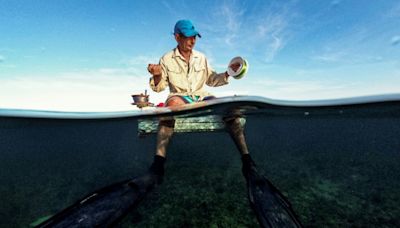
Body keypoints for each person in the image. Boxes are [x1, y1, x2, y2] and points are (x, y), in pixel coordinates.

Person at [146, 19, 254, 183]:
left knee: (229, 109)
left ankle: (247, 160)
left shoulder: (201, 58)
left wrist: (227, 74)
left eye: (195, 36)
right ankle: (158, 164)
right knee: (171, 108)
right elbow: (159, 88)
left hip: (201, 96)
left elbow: (211, 79)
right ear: (177, 37)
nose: (193, 40)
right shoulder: (166, 59)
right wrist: (157, 74)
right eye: (188, 37)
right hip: (180, 96)